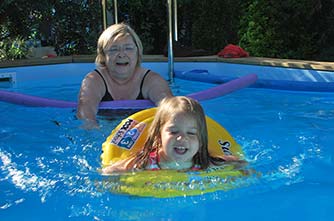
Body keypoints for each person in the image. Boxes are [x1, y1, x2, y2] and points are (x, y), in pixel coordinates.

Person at [102, 96, 244, 174]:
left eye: (191, 133)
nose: (182, 138)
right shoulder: (146, 163)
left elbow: (239, 162)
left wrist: (246, 171)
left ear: (201, 140)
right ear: (158, 135)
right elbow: (111, 170)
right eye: (174, 131)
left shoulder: (205, 163)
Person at [77, 23, 173, 128]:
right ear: (103, 56)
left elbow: (170, 109)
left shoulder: (151, 80)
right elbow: (86, 116)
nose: (121, 54)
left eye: (128, 48)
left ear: (138, 52)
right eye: (113, 49)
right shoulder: (94, 81)